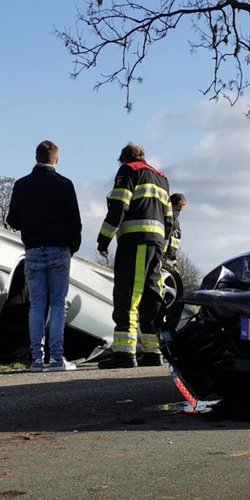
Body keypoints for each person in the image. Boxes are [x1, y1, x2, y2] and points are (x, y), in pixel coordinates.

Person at [6, 140, 82, 371]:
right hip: (60, 249)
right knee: (58, 304)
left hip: (34, 249)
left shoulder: (21, 185)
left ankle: (36, 359)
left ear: (35, 157)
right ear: (56, 160)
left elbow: (12, 220)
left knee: (37, 305)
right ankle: (57, 359)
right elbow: (75, 222)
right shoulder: (65, 184)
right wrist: (72, 247)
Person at [96, 143, 173, 369]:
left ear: (123, 159)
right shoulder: (162, 179)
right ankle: (153, 352)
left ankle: (125, 353)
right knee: (151, 297)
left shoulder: (129, 171)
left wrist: (104, 239)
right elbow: (169, 220)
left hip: (135, 241)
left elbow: (119, 206)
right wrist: (164, 249)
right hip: (156, 245)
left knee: (128, 295)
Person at [166, 192, 187, 264]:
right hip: (162, 259)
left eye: (181, 210)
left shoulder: (177, 224)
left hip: (171, 260)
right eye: (178, 210)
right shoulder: (163, 221)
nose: (179, 212)